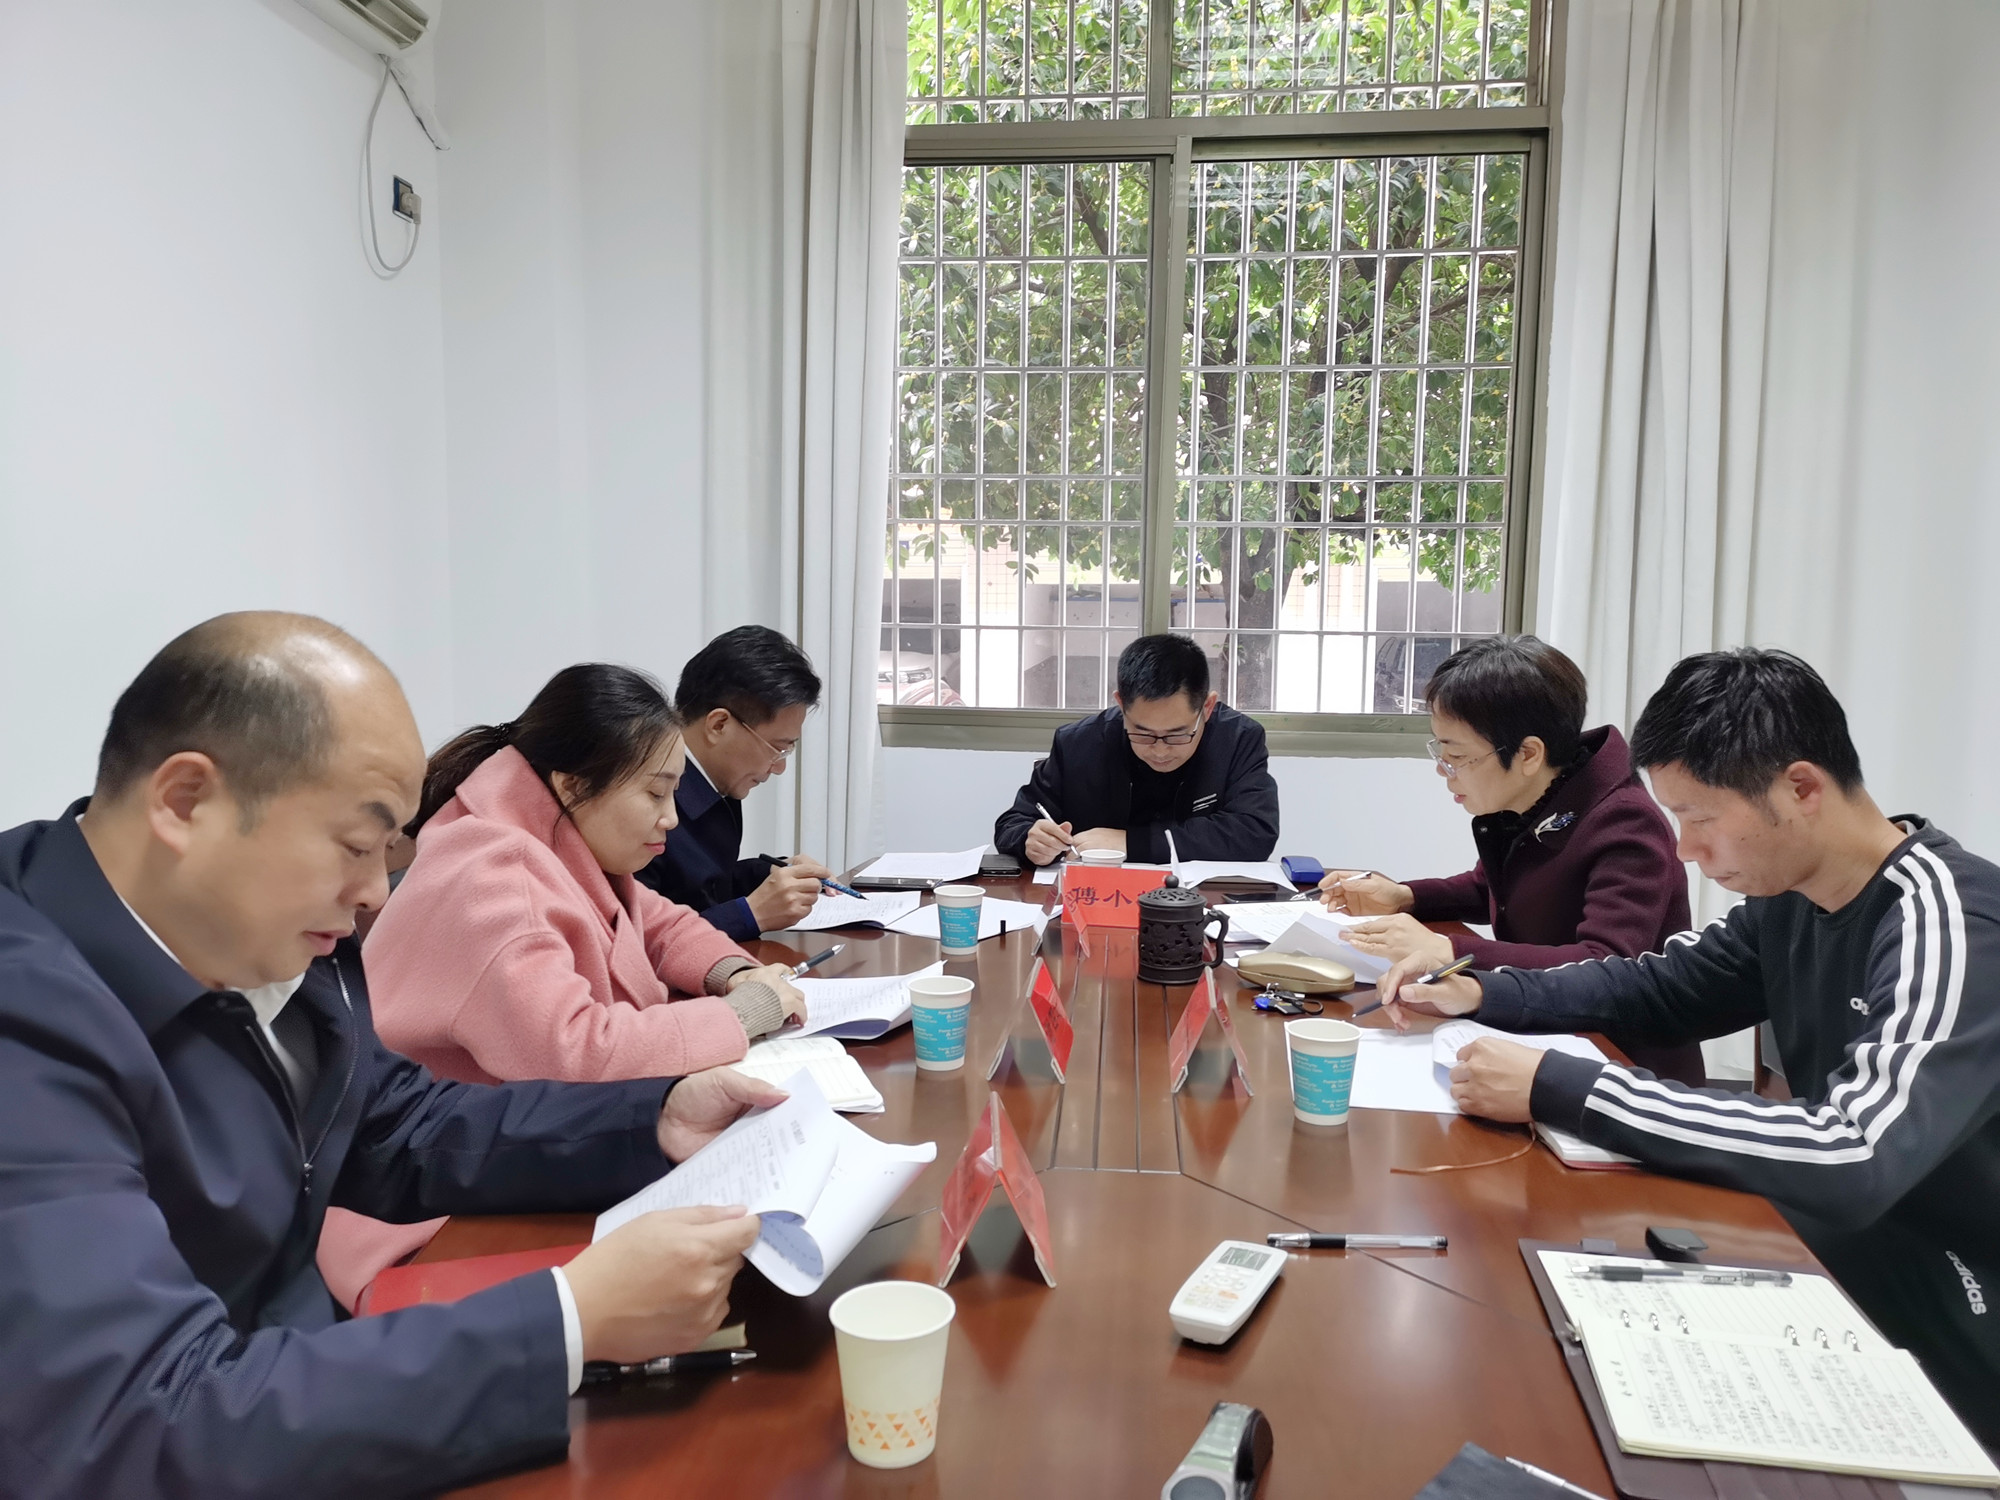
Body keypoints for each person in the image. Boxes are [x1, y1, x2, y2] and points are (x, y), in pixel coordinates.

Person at [0, 612, 786, 1498]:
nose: (379, 892)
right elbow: (140, 1423)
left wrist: (654, 1120)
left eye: (386, 849)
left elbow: (399, 1124)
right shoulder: (26, 1027)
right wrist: (570, 1318)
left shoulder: (264, 943)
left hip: (302, 1378)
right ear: (186, 802)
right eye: (355, 845)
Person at [1375, 649, 2000, 1443]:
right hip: (1834, 1241)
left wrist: (1566, 1087)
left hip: (1955, 1297)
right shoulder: (1792, 899)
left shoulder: (1946, 923)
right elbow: (1659, 987)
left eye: (1699, 817)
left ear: (1801, 789)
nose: (1683, 850)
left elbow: (1854, 1151)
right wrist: (1485, 992)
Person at [367, 663, 807, 1088]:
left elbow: (661, 923)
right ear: (573, 786)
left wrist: (732, 973)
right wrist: (740, 1015)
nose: (671, 818)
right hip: (449, 1124)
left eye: (672, 793)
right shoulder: (499, 880)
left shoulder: (556, 829)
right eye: (655, 793)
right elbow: (576, 1051)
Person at [1318, 635, 1705, 1085]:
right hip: (1540, 1030)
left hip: (1619, 1067)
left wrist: (1451, 951)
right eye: (1440, 752)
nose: (1443, 769)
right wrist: (1405, 896)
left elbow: (1603, 964)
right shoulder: (1542, 794)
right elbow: (1492, 887)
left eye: (1457, 756)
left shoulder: (1626, 824)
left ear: (1528, 754)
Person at [994, 633, 1279, 867]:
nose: (1160, 750)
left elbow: (1254, 833)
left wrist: (1132, 843)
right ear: (1121, 704)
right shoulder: (1078, 743)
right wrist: (1030, 839)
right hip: (1096, 900)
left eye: (1177, 734)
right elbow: (1013, 823)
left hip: (1196, 903)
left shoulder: (1238, 739)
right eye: (1142, 733)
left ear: (1207, 707)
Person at [636, 626, 830, 939]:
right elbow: (640, 939)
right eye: (777, 748)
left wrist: (771, 874)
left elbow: (704, 887)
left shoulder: (715, 785)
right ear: (719, 725)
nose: (779, 767)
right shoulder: (641, 799)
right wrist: (751, 914)